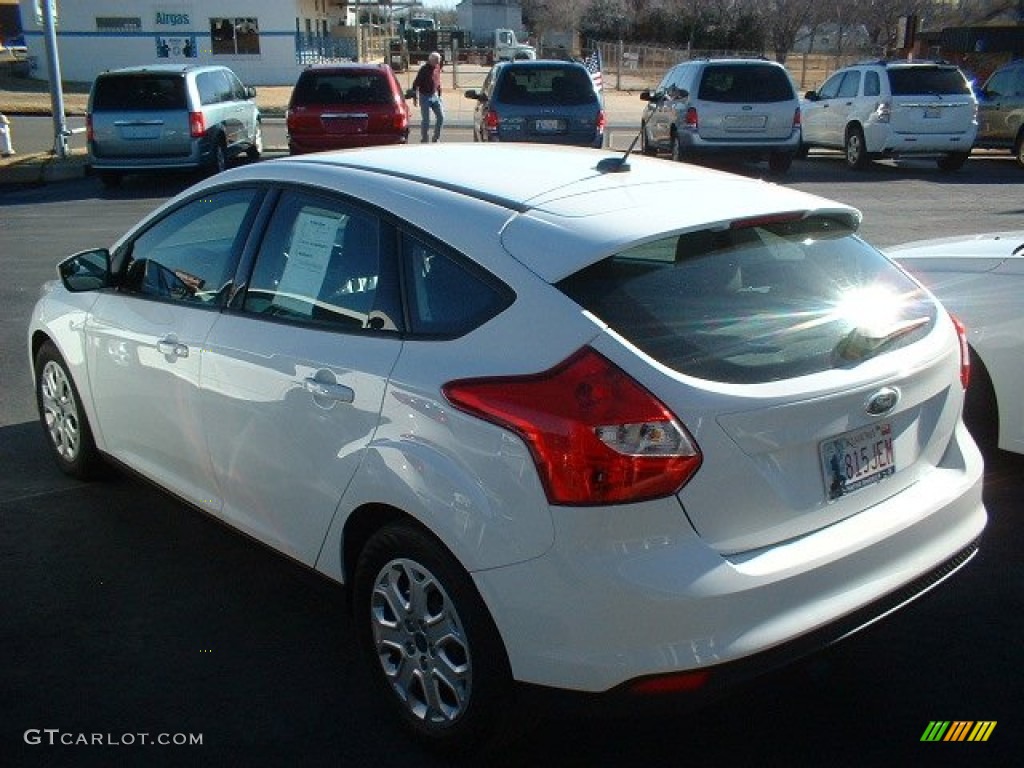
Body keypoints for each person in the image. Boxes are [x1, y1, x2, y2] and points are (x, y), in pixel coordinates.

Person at [412, 51, 444, 143]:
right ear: (431, 60)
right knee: (426, 119)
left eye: (439, 61)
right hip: (424, 96)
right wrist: (415, 97)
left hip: (435, 95)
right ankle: (424, 139)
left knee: (441, 116)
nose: (438, 63)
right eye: (437, 61)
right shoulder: (423, 70)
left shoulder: (437, 67)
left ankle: (436, 138)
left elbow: (437, 80)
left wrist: (439, 93)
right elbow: (415, 84)